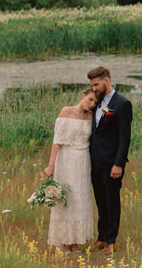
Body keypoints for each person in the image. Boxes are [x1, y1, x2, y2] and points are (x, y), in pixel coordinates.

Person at [43, 88, 98, 251]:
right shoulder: (66, 111)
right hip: (66, 160)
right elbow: (57, 140)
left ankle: (74, 241)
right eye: (90, 100)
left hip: (83, 161)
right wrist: (51, 165)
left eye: (95, 102)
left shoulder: (91, 116)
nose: (92, 104)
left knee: (80, 200)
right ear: (83, 95)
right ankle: (62, 243)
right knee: (66, 198)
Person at [86, 65, 132, 252]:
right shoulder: (96, 102)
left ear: (107, 80)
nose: (94, 88)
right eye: (92, 85)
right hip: (95, 161)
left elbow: (124, 137)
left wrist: (118, 164)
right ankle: (101, 238)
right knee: (100, 201)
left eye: (96, 84)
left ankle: (111, 241)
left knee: (112, 201)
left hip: (112, 163)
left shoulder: (122, 104)